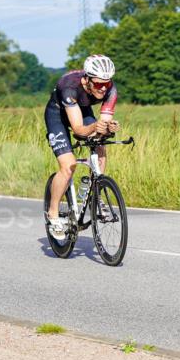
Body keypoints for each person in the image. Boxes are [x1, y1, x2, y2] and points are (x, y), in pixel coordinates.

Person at [43, 54, 120, 236]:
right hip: (58, 115)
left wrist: (108, 128)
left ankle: (97, 193)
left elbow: (102, 125)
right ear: (87, 79)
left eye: (107, 83)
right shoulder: (69, 86)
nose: (103, 88)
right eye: (99, 83)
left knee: (100, 143)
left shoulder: (111, 90)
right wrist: (94, 126)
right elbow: (78, 130)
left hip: (83, 110)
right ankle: (53, 214)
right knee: (69, 166)